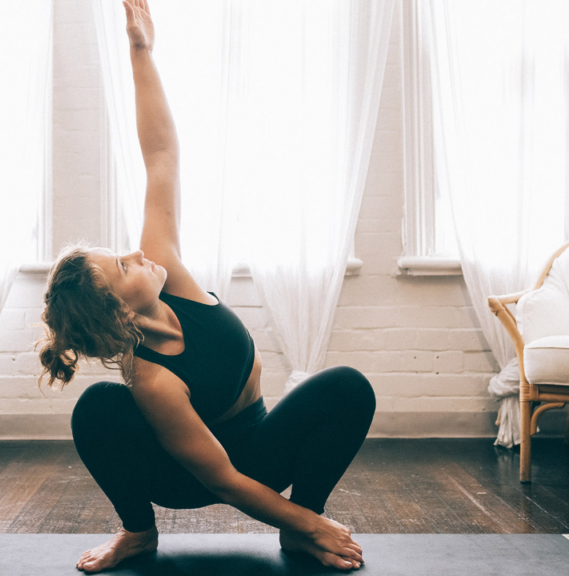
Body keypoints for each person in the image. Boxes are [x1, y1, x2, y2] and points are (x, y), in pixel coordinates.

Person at [37, 0, 376, 572]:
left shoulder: (166, 267)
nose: (135, 253)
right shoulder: (150, 380)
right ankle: (137, 534)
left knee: (347, 387)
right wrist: (313, 522)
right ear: (120, 312)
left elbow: (161, 155)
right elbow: (221, 480)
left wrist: (141, 51)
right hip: (191, 478)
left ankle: (298, 537)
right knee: (96, 408)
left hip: (261, 448)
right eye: (123, 267)